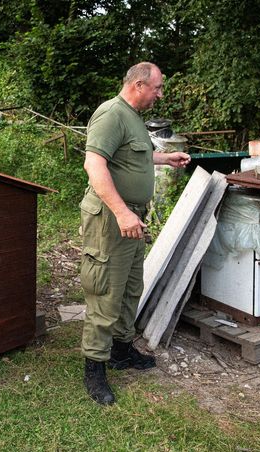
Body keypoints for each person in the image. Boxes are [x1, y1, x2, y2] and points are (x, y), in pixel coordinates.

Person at [80, 62, 191, 405]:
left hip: (131, 218)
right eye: (157, 88)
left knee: (130, 287)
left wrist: (165, 158)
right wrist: (122, 211)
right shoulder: (111, 114)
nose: (160, 95)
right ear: (140, 85)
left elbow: (133, 159)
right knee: (106, 290)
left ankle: (121, 351)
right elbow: (94, 164)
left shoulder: (133, 118)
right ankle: (94, 369)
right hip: (112, 219)